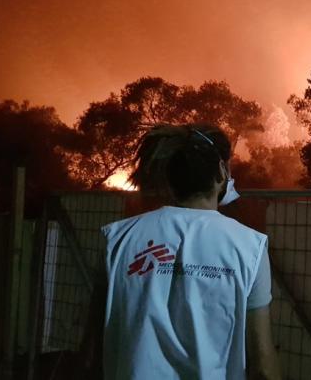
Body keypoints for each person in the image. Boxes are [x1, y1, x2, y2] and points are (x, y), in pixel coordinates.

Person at [99, 124, 281, 380]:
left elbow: (91, 352)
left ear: (172, 178)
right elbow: (263, 363)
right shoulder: (250, 246)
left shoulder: (118, 238)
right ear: (221, 172)